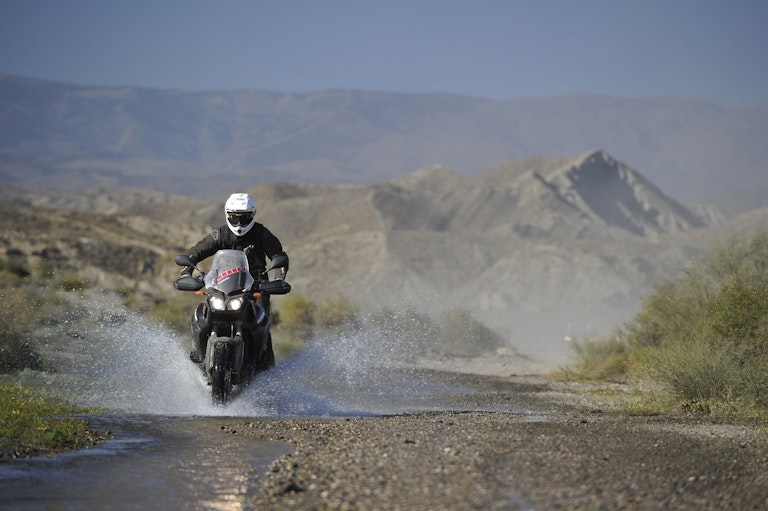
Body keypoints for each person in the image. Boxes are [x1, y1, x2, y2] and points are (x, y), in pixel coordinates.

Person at [181, 192, 288, 368]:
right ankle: (197, 356)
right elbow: (196, 252)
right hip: (223, 285)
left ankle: (266, 368)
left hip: (256, 287)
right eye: (234, 217)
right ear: (227, 214)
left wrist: (278, 278)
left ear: (252, 215)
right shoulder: (221, 234)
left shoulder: (262, 234)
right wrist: (187, 270)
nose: (239, 223)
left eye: (244, 218)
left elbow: (278, 256)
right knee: (202, 314)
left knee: (261, 322)